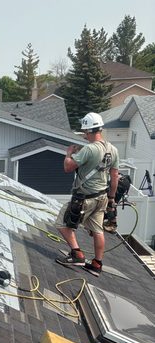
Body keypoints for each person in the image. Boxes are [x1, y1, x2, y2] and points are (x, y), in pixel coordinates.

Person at [55, 112, 119, 276]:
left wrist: (69, 153)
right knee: (98, 230)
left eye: (85, 132)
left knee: (62, 222)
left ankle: (77, 254)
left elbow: (68, 167)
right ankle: (97, 264)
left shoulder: (89, 149)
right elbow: (114, 178)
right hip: (102, 198)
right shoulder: (113, 149)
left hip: (85, 198)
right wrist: (112, 199)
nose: (84, 135)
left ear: (89, 131)